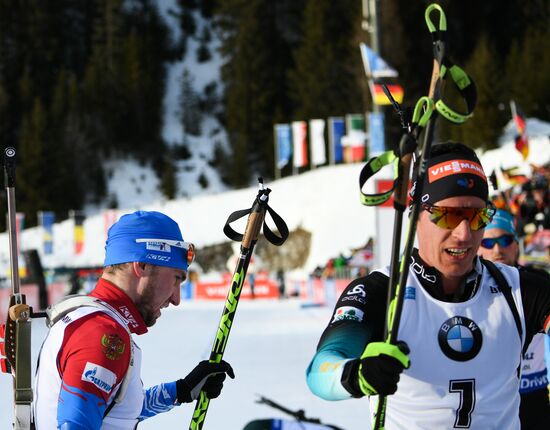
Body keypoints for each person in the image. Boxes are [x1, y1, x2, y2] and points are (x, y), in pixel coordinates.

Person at [306, 142, 550, 429]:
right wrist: (356, 374)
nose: (464, 233)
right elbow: (320, 370)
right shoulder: (379, 291)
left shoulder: (518, 289)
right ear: (416, 216)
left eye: (476, 216)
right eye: (449, 215)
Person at [33, 210, 234, 429]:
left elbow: (112, 410)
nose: (176, 299)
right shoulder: (102, 333)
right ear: (143, 265)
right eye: (176, 279)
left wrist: (181, 390)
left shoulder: (89, 317)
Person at [478, 208, 550, 428]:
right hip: (491, 400)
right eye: (488, 243)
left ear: (516, 244)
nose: (498, 249)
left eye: (505, 239)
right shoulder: (468, 291)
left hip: (535, 394)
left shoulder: (538, 283)